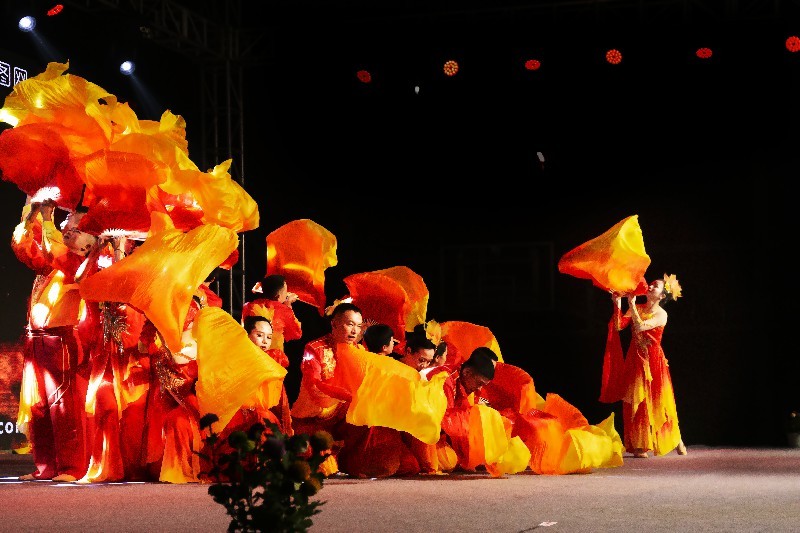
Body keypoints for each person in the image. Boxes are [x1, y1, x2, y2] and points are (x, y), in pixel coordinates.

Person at [13, 200, 96, 482]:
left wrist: (47, 219)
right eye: (67, 223)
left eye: (75, 226)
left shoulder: (83, 264)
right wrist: (30, 216)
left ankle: (71, 467)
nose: (66, 227)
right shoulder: (51, 264)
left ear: (90, 241)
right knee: (38, 406)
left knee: (63, 407)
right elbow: (24, 249)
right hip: (36, 341)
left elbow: (57, 254)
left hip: (60, 341)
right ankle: (45, 466)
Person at [602, 274, 687, 459]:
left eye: (655, 286)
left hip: (653, 361)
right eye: (651, 284)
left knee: (659, 403)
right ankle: (640, 444)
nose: (650, 286)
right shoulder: (639, 307)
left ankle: (676, 438)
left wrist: (631, 304)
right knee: (636, 400)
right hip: (635, 359)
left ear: (662, 296)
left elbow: (640, 327)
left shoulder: (661, 315)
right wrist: (617, 303)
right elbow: (619, 325)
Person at [291, 301, 364, 441]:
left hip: (342, 419)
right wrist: (345, 395)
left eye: (358, 326)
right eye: (350, 324)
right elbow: (313, 386)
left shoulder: (359, 351)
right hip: (311, 419)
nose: (355, 331)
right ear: (334, 324)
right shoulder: (314, 348)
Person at [243, 314, 293, 436]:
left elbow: (281, 401)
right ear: (247, 335)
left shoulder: (273, 360)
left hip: (264, 418)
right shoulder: (238, 359)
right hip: (242, 417)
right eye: (259, 335)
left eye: (269, 337)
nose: (265, 341)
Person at [241, 274, 302, 352]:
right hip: (273, 355)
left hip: (251, 352)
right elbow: (296, 334)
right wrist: (288, 305)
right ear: (278, 296)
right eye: (285, 291)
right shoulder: (284, 310)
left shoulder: (249, 306)